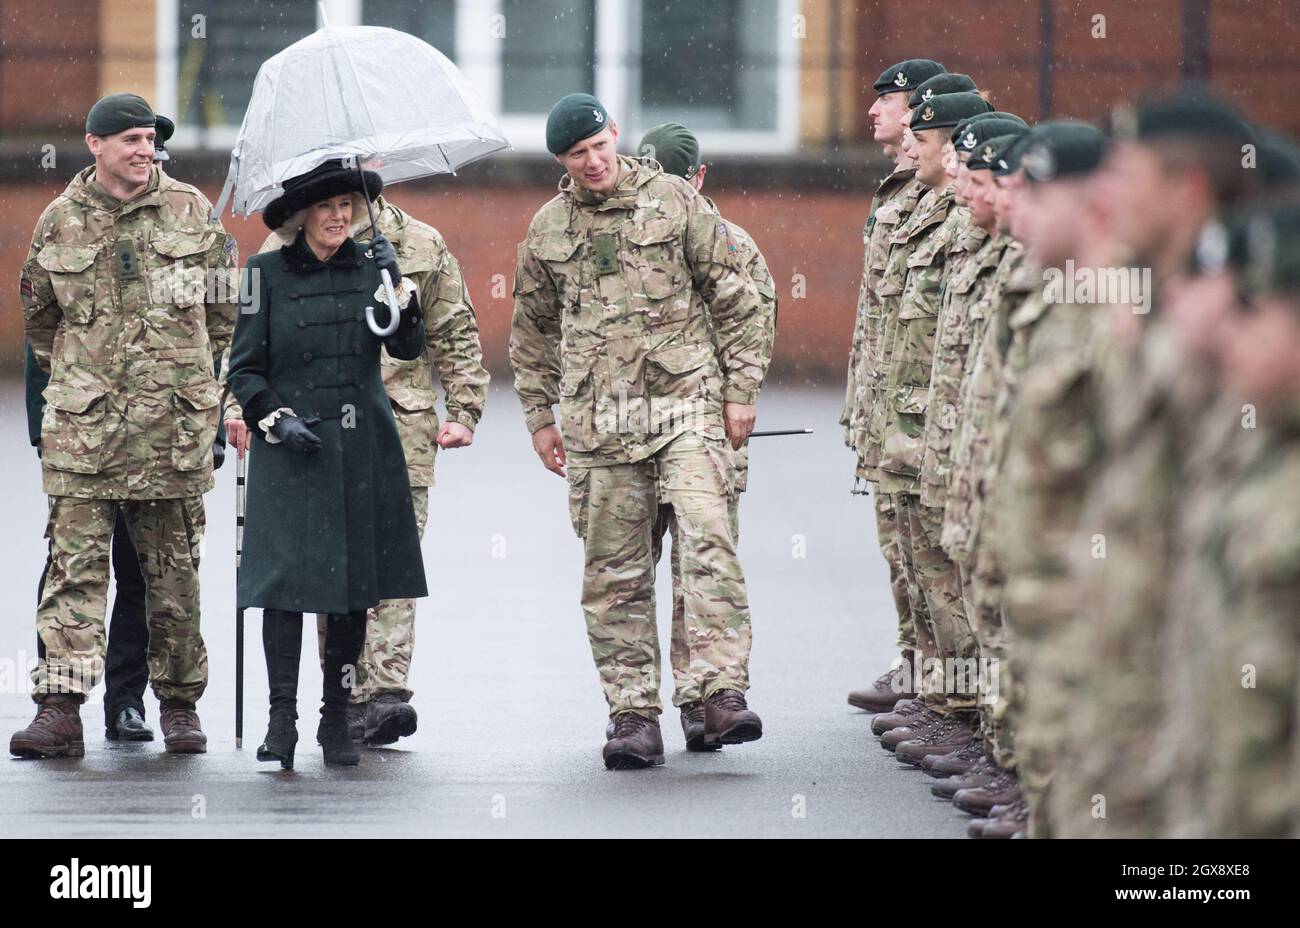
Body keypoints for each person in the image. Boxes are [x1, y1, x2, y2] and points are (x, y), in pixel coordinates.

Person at [510, 93, 774, 769]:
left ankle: (717, 691)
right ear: (561, 163)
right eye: (577, 155)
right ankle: (632, 715)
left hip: (686, 411)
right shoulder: (548, 230)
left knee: (706, 541)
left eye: (599, 146)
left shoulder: (675, 201)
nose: (593, 162)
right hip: (601, 427)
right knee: (615, 576)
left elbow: (734, 295)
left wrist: (740, 393)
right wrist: (540, 419)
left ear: (615, 136)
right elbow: (532, 332)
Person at [12, 93, 235, 759]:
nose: (144, 150)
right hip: (86, 436)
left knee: (173, 577)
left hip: (173, 432)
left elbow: (225, 314)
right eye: (131, 139)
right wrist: (87, 385)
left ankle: (178, 706)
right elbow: (41, 322)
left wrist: (202, 393)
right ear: (95, 144)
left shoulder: (193, 212)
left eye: (149, 139)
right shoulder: (60, 221)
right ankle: (60, 709)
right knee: (74, 571)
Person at [225, 191, 489, 747]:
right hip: (297, 442)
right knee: (302, 579)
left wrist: (400, 294)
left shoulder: (398, 252)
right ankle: (303, 715)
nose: (339, 215)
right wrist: (259, 415)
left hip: (379, 435)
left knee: (369, 576)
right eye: (327, 204)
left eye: (347, 202)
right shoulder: (268, 263)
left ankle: (373, 698)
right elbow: (245, 358)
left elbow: (428, 338)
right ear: (304, 212)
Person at [635, 122, 777, 751]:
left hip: (701, 428)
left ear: (698, 180)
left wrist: (732, 399)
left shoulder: (730, 245)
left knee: (703, 560)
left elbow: (754, 324)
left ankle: (706, 699)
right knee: (631, 569)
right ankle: (637, 711)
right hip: (629, 433)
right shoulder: (622, 235)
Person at [843, 58, 946, 713]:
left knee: (934, 554)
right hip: (890, 405)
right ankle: (917, 665)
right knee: (902, 548)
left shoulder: (940, 190)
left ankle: (946, 692)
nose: (875, 112)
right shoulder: (898, 187)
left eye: (888, 101)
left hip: (922, 412)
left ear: (920, 110)